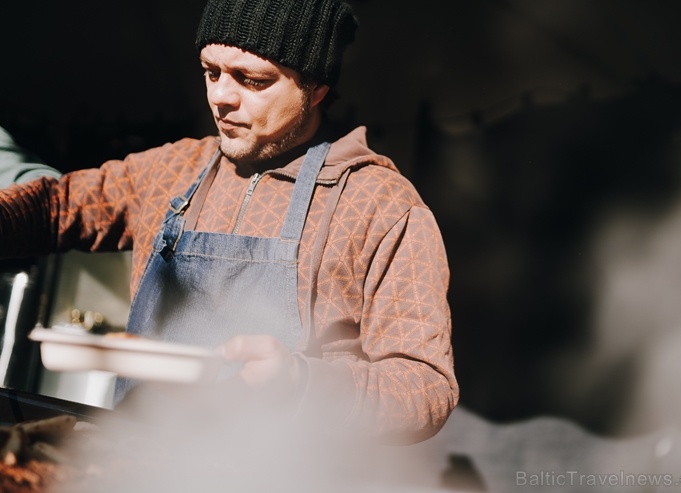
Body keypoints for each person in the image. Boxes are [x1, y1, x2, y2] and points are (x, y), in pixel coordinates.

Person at [0, 0, 458, 445]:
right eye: (211, 71)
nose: (220, 96)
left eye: (251, 80)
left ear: (316, 88)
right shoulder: (173, 169)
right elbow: (55, 207)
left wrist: (300, 383)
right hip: (136, 468)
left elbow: (425, 387)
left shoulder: (380, 205)